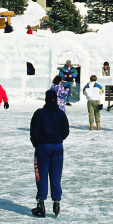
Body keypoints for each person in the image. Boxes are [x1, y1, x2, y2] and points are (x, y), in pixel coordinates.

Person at [30, 88, 71, 217]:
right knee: (56, 175)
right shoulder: (61, 114)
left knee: (41, 175)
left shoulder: (40, 113)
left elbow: (34, 131)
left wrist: (37, 143)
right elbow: (66, 131)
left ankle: (41, 204)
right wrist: (58, 139)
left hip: (42, 147)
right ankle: (56, 202)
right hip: (57, 147)